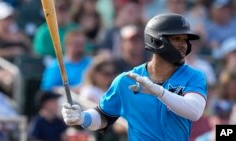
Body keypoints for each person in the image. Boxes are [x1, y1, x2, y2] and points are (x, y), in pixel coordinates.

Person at [61, 13, 207, 141]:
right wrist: (81, 118)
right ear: (156, 40)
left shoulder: (194, 76)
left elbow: (194, 111)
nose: (184, 45)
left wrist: (158, 92)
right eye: (177, 39)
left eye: (185, 40)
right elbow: (103, 116)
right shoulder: (127, 80)